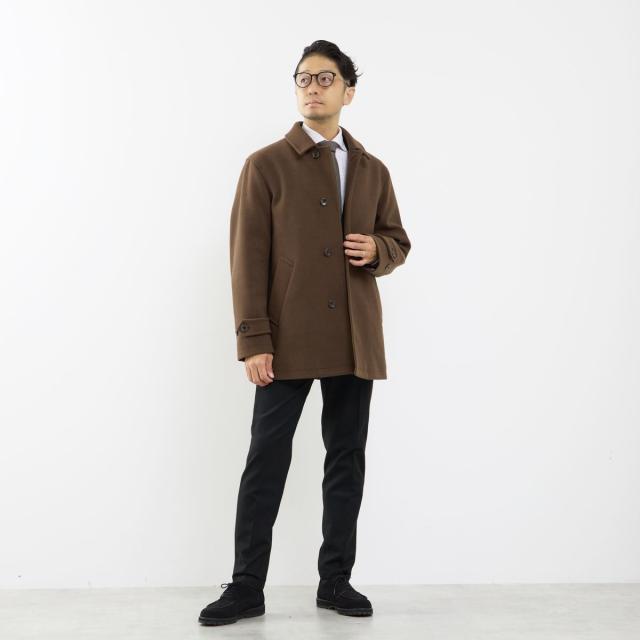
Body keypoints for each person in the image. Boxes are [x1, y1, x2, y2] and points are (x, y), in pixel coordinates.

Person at [198, 39, 411, 626]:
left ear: (349, 92)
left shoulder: (372, 169)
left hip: (354, 337)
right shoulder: (265, 164)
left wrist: (378, 249)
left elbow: (398, 239)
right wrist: (254, 339)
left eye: (325, 78)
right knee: (266, 459)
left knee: (346, 460)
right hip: (286, 338)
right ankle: (246, 586)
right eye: (303, 78)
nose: (312, 87)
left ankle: (335, 581)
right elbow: (246, 257)